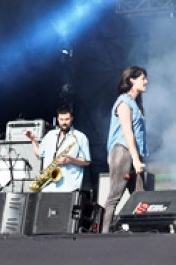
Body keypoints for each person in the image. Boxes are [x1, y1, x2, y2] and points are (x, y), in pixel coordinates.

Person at [101, 66, 148, 233]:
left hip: (133, 154)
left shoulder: (135, 104)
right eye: (143, 78)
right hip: (122, 152)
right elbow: (127, 132)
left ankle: (140, 234)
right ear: (131, 80)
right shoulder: (123, 102)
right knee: (115, 196)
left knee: (141, 197)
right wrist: (135, 159)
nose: (146, 81)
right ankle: (104, 234)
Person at [29, 104, 91, 192]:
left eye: (67, 119)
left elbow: (87, 162)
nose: (64, 122)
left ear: (72, 119)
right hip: (48, 187)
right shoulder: (50, 135)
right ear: (57, 119)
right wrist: (33, 140)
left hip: (69, 187)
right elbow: (39, 154)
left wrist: (70, 160)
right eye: (61, 119)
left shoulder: (80, 137)